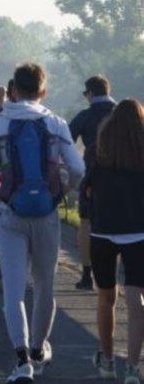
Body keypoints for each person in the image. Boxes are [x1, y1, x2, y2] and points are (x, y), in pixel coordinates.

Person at [0, 63, 85, 384]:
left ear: (13, 90)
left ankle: (21, 360)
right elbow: (78, 168)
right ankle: (39, 351)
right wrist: (60, 193)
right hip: (46, 214)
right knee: (44, 287)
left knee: (13, 291)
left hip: (10, 214)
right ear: (43, 89)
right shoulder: (55, 123)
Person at [87, 99, 144, 384]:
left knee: (106, 296)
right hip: (138, 232)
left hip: (103, 231)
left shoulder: (100, 151)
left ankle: (107, 360)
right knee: (136, 300)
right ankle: (133, 368)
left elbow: (86, 188)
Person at [69, 75, 117, 291]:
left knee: (86, 224)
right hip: (122, 178)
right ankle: (120, 274)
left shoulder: (85, 116)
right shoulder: (122, 114)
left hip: (93, 179)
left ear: (89, 93)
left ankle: (87, 274)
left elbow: (65, 141)